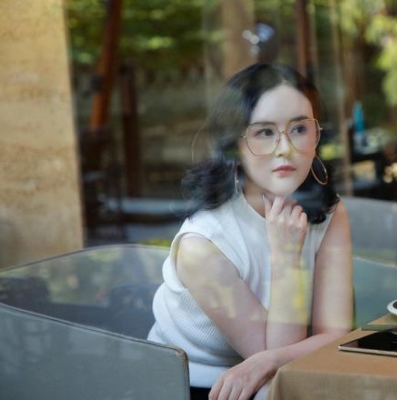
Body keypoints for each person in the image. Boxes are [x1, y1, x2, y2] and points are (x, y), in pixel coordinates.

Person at [148, 62, 353, 400]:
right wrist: (287, 257)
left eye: (299, 129)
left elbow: (334, 335)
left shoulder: (329, 210)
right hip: (189, 385)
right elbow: (277, 367)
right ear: (235, 145)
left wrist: (274, 359)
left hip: (276, 375)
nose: (285, 148)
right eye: (265, 132)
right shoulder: (203, 244)